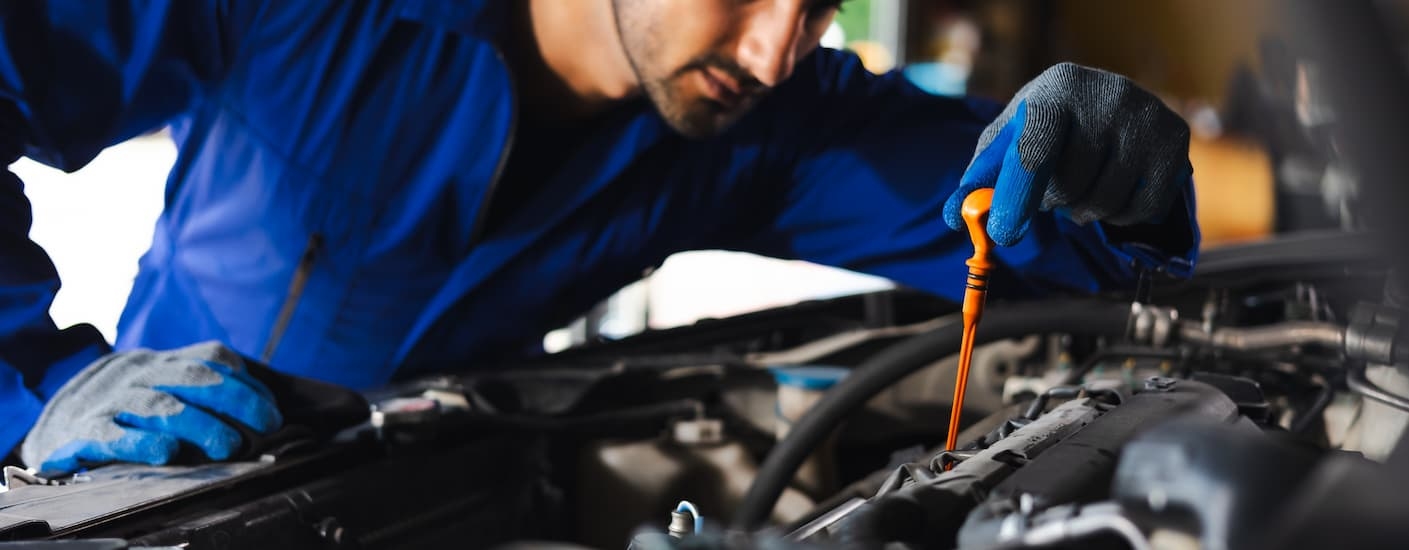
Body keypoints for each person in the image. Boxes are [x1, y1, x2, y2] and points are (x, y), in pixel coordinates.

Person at [3, 0, 1197, 474]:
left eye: (819, 0)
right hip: (158, 488)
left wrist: (1121, 177)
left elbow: (1061, 250)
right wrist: (32, 383)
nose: (775, 48)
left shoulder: (768, 121)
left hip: (446, 496)